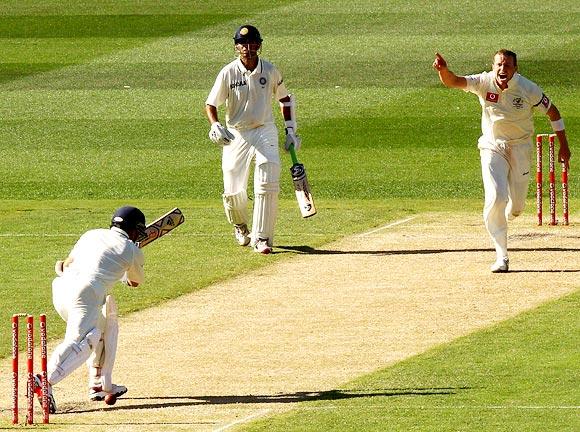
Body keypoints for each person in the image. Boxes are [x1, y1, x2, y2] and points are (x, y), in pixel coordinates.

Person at [433, 50, 571, 272]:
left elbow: (553, 113)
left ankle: (509, 214)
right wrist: (443, 70)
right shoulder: (483, 82)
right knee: (496, 196)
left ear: (515, 69)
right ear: (493, 65)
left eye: (507, 66)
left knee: (516, 207)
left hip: (520, 147)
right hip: (492, 146)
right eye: (499, 65)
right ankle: (502, 255)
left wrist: (564, 146)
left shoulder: (527, 88)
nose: (502, 69)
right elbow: (454, 82)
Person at [35, 206, 146, 412]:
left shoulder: (91, 234)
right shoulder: (131, 251)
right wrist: (127, 265)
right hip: (85, 294)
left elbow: (66, 263)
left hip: (61, 288)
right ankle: (45, 379)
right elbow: (135, 282)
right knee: (85, 341)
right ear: (132, 230)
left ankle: (99, 383)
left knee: (103, 325)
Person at [205, 24, 301, 255]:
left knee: (268, 175)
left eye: (252, 44)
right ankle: (240, 226)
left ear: (259, 45)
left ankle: (262, 238)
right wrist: (216, 125)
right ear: (236, 47)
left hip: (263, 129)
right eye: (243, 44)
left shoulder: (269, 70)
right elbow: (211, 104)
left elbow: (285, 99)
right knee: (233, 188)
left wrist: (290, 130)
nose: (248, 48)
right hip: (236, 133)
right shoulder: (228, 72)